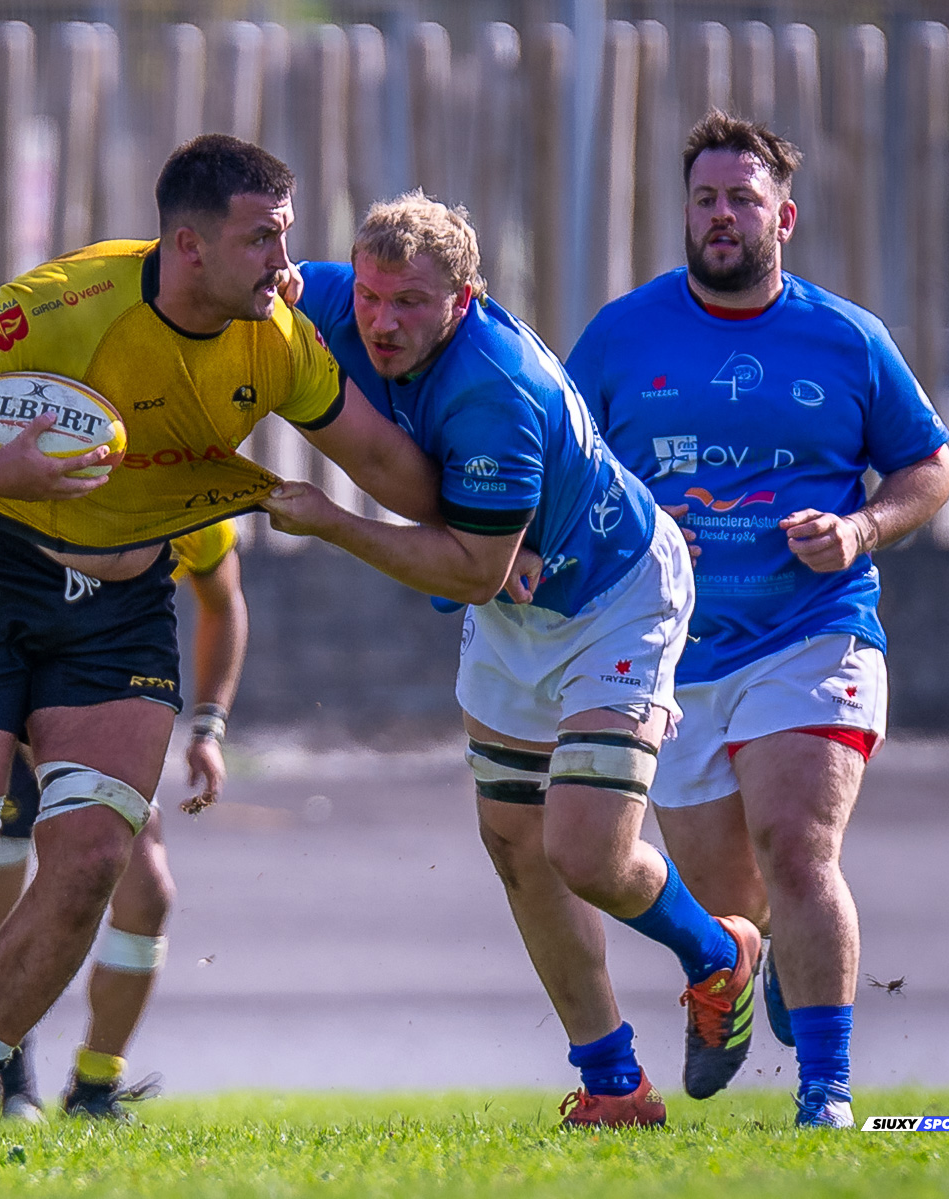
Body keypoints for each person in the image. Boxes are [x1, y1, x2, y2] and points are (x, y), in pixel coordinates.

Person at [0, 133, 439, 1138]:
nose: (284, 261)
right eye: (262, 238)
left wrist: (494, 510)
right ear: (189, 245)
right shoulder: (72, 300)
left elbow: (387, 462)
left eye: (285, 235)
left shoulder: (280, 340)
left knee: (89, 861)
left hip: (120, 608)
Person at [274, 191, 760, 1128]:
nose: (380, 320)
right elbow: (268, 296)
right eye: (372, 296)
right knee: (516, 847)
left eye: (409, 302)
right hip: (517, 605)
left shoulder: (492, 390)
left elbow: (471, 568)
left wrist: (331, 521)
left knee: (585, 849)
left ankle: (716, 954)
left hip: (616, 598)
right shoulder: (336, 297)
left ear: (464, 300)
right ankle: (614, 1082)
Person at [566, 112, 949, 1128]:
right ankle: (741, 964)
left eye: (743, 199)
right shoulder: (620, 335)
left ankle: (825, 1093)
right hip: (670, 651)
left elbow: (930, 465)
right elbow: (563, 474)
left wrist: (863, 527)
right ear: (684, 214)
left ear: (783, 215)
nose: (722, 215)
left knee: (798, 846)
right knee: (731, 898)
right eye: (705, 198)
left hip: (813, 629)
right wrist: (621, 543)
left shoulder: (846, 338)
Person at [0, 521, 249, 1122]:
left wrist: (208, 727)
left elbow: (224, 602)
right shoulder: (5, 476)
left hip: (90, 725)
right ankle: (6, 1066)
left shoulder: (183, 489)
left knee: (147, 894)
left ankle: (95, 1087)